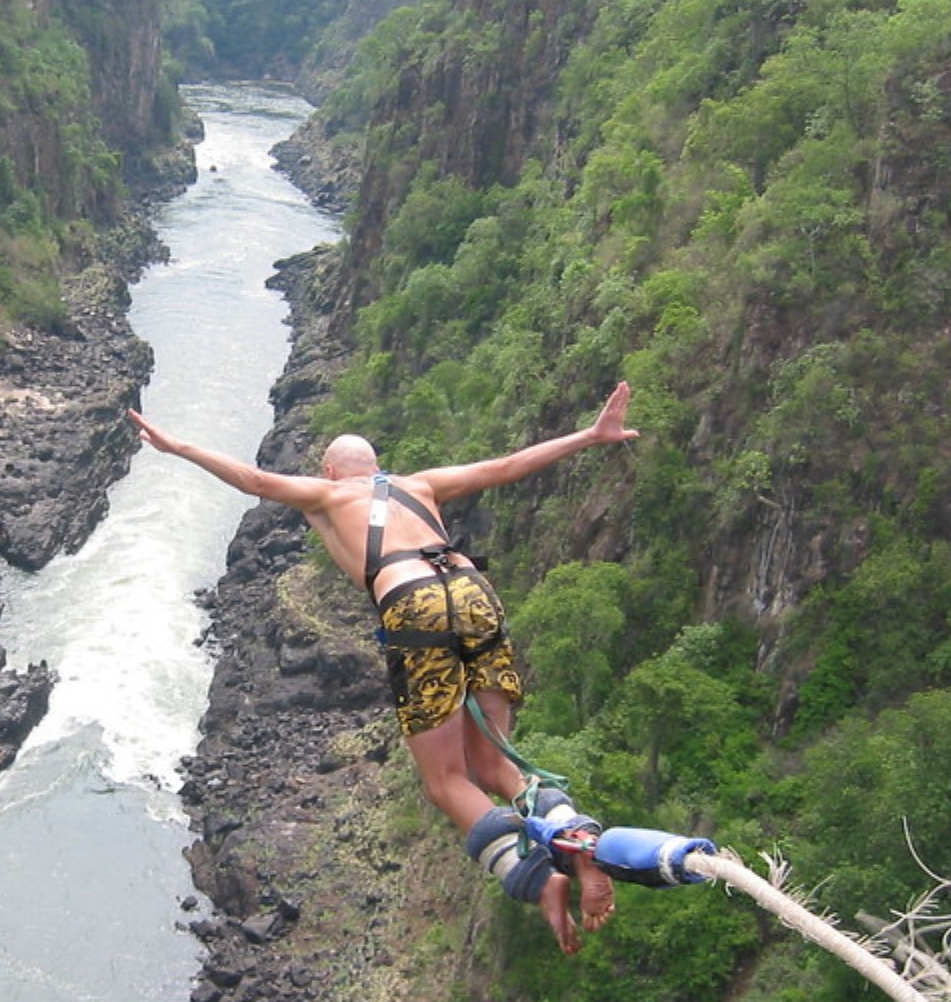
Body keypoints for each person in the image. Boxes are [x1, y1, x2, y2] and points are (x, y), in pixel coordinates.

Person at [128, 380, 639, 955]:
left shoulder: (326, 497)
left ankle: (542, 881)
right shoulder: (420, 485)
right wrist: (593, 435)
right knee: (496, 767)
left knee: (448, 781)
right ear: (378, 466)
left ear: (329, 470)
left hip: (412, 602)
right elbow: (509, 465)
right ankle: (577, 840)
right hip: (472, 589)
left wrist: (179, 449)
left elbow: (255, 481)